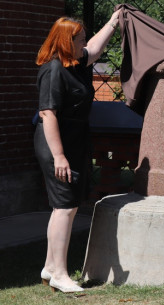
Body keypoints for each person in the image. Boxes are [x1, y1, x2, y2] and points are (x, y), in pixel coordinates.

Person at [34, 10, 119, 293]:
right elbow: (47, 114)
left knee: (66, 208)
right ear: (65, 41)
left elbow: (94, 49)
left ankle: (50, 266)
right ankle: (59, 273)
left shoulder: (76, 62)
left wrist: (113, 21)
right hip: (56, 144)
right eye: (79, 39)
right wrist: (59, 156)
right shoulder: (54, 69)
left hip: (75, 140)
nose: (84, 43)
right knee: (65, 206)